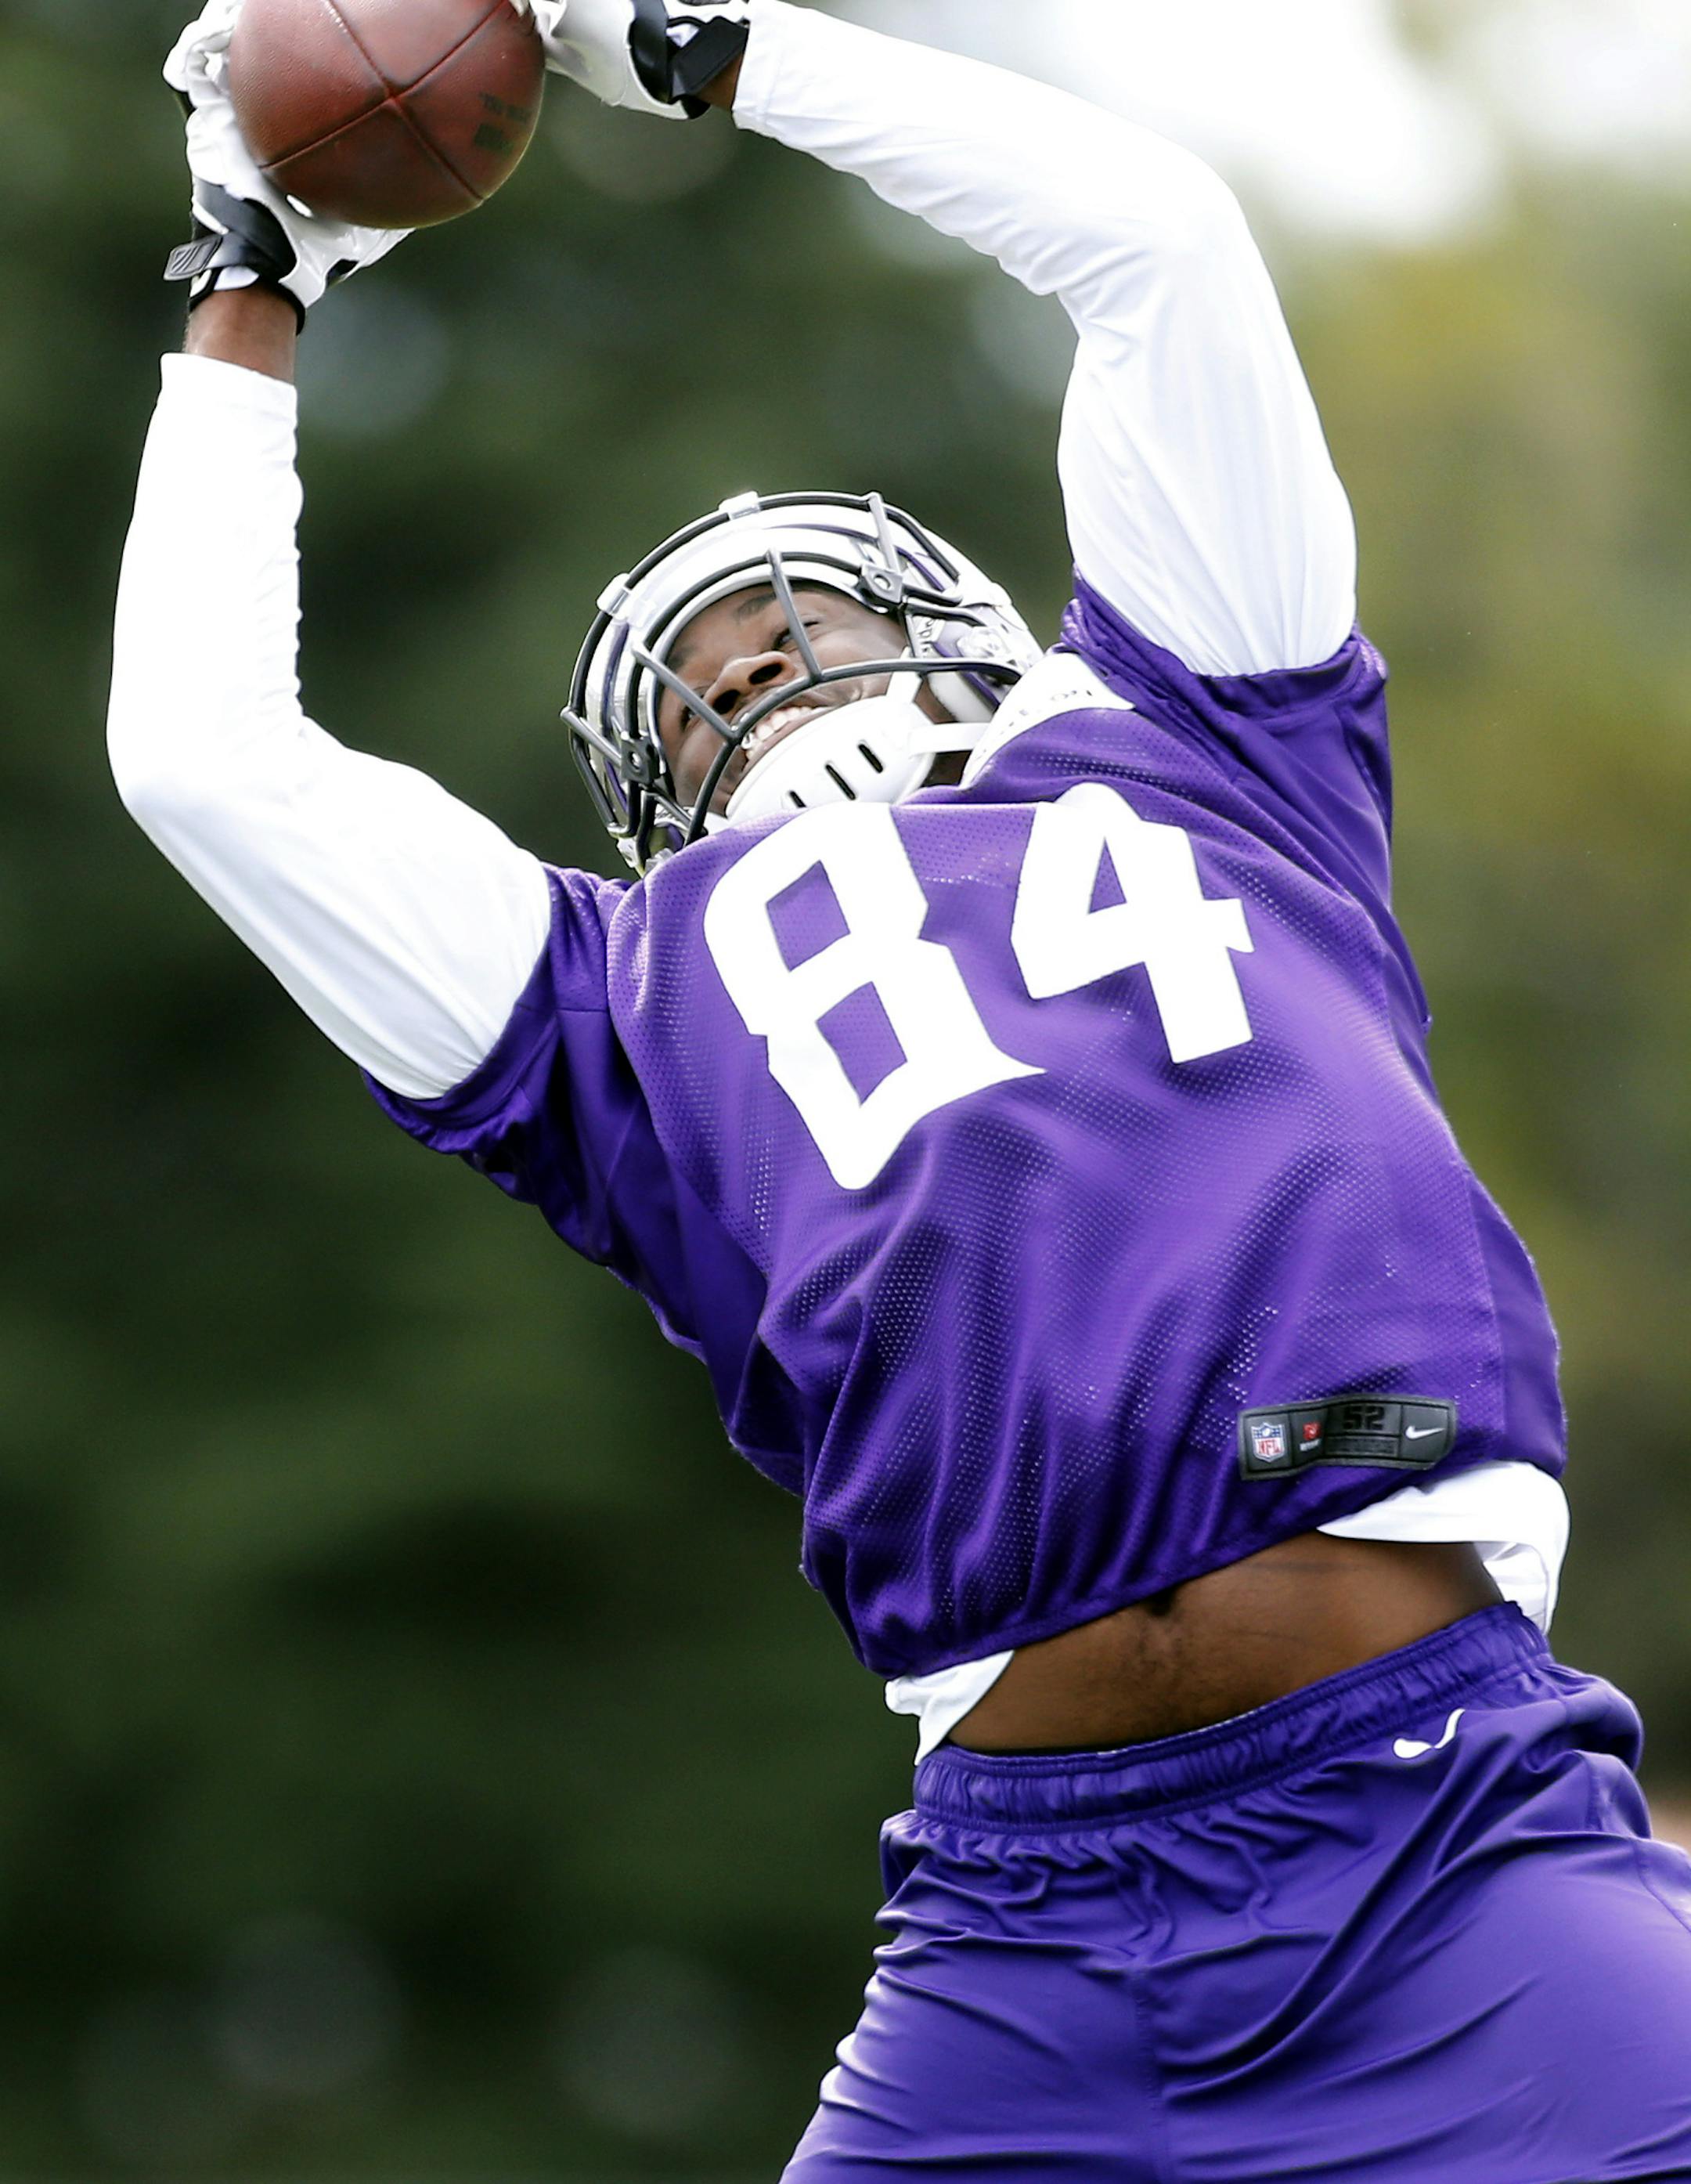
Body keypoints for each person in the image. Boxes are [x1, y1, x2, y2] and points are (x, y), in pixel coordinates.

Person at [110, 2, 1691, 2176]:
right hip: (1023, 1928)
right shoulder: (611, 1015)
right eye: (697, 697)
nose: (746, 672)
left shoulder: (1216, 737)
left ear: (959, 619)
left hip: (1439, 1828)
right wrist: (245, 275)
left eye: (792, 622)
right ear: (649, 817)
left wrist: (696, 45)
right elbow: (197, 756)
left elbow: (1153, 237)